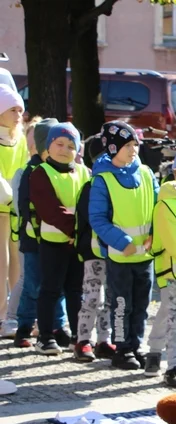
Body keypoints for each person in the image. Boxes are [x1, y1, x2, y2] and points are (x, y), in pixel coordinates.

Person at [90, 121, 159, 370]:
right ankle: (122, 349)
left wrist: (154, 234)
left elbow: (157, 206)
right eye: (127, 145)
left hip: (145, 256)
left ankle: (136, 345)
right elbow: (97, 218)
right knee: (121, 306)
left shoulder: (146, 174)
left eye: (135, 145)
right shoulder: (102, 180)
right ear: (112, 148)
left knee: (141, 305)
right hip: (120, 256)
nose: (133, 150)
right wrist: (121, 242)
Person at [28, 123, 87, 355]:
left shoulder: (84, 172)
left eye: (71, 146)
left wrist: (80, 234)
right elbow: (50, 209)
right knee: (50, 289)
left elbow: (88, 206)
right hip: (54, 242)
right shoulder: (41, 173)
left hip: (77, 244)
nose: (64, 149)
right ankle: (45, 336)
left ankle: (78, 336)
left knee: (76, 291)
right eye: (59, 144)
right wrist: (74, 231)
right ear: (48, 146)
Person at [12, 118, 68, 348]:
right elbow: (25, 205)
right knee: (34, 284)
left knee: (57, 283)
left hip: (57, 238)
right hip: (34, 239)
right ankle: (24, 326)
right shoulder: (31, 171)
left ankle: (59, 325)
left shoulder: (62, 170)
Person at [146, 150, 176, 388]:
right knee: (171, 313)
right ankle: (160, 356)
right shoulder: (167, 202)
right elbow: (171, 241)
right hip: (172, 271)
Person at [73, 132, 116, 362]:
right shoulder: (92, 187)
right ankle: (83, 340)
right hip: (93, 250)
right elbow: (88, 219)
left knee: (109, 298)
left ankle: (104, 340)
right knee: (92, 297)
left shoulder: (119, 184)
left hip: (116, 251)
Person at [0, 85, 26, 342]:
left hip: (14, 209)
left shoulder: (18, 140)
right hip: (0, 208)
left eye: (20, 109)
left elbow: (21, 171)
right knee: (1, 260)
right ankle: (1, 315)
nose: (19, 114)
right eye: (12, 109)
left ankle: (14, 314)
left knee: (17, 261)